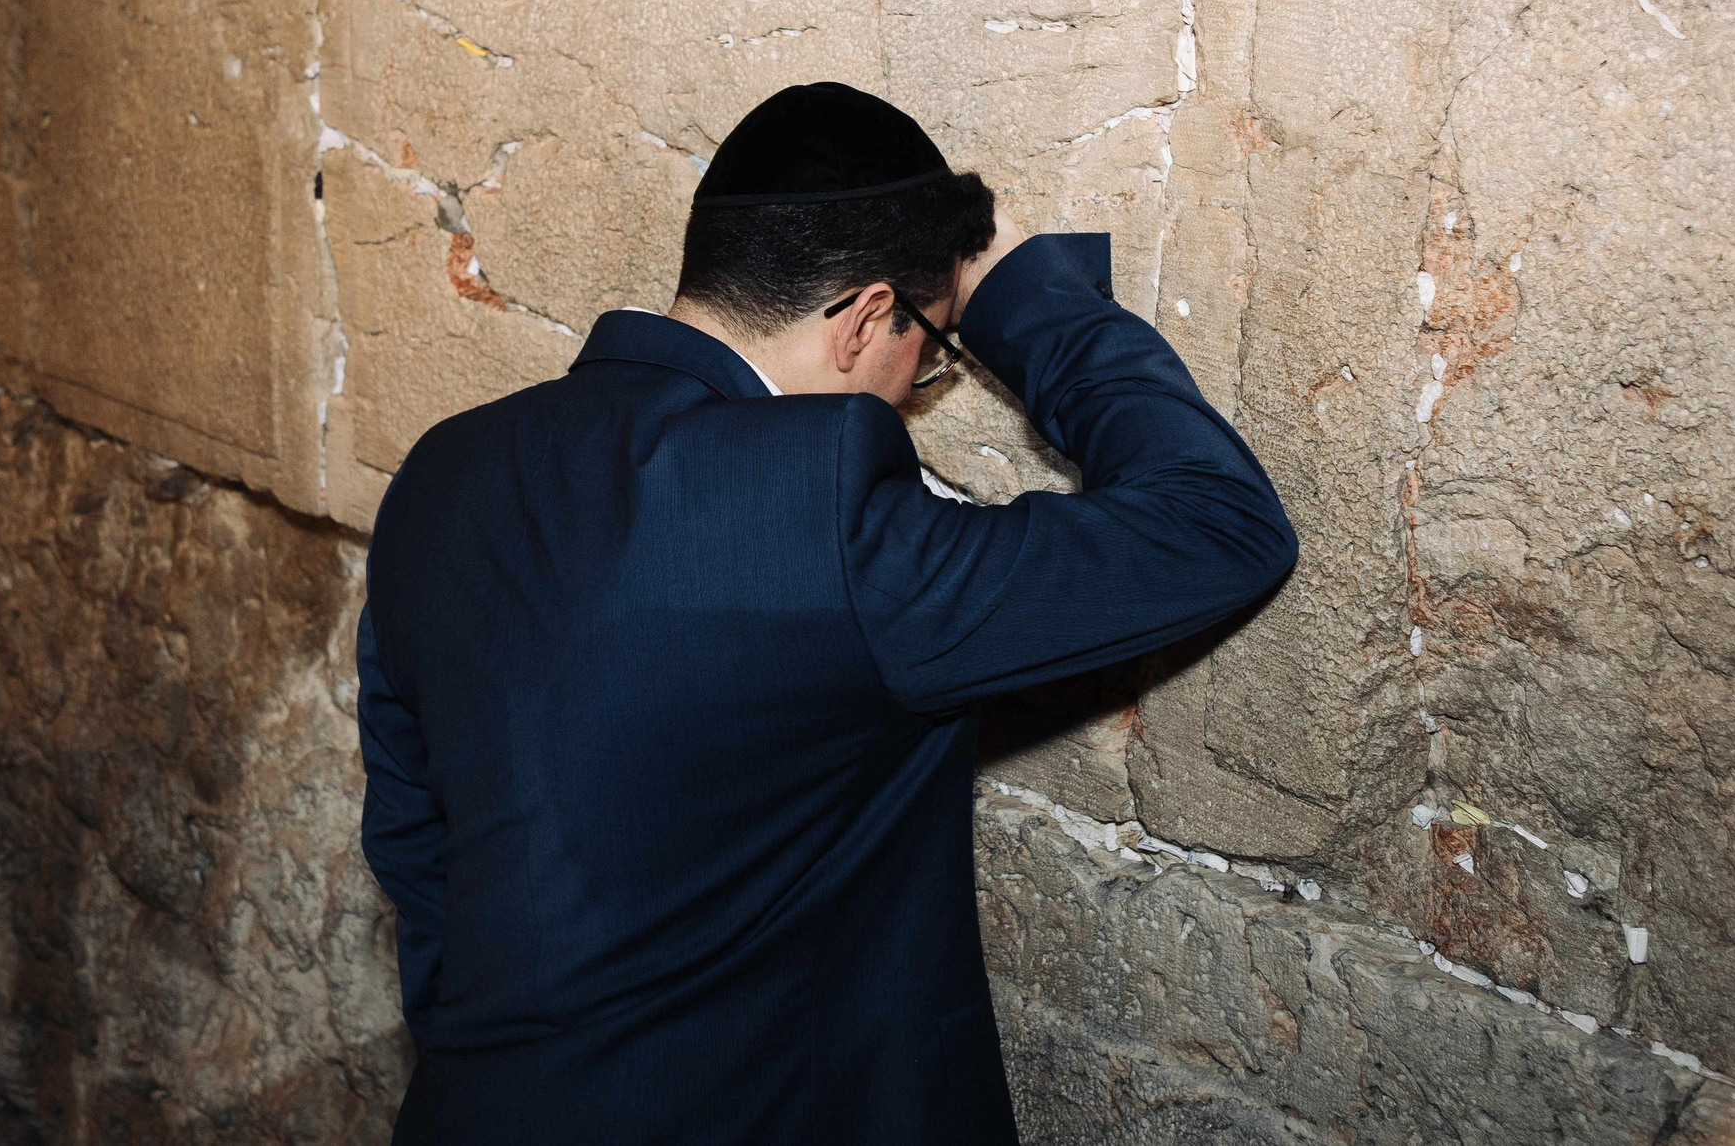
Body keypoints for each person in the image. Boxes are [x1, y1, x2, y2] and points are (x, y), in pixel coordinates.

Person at [355, 82, 1299, 1144]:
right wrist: (1015, 295)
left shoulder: (448, 468)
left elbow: (413, 845)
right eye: (929, 349)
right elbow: (1217, 524)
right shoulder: (827, 515)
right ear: (862, 319)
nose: (916, 382)